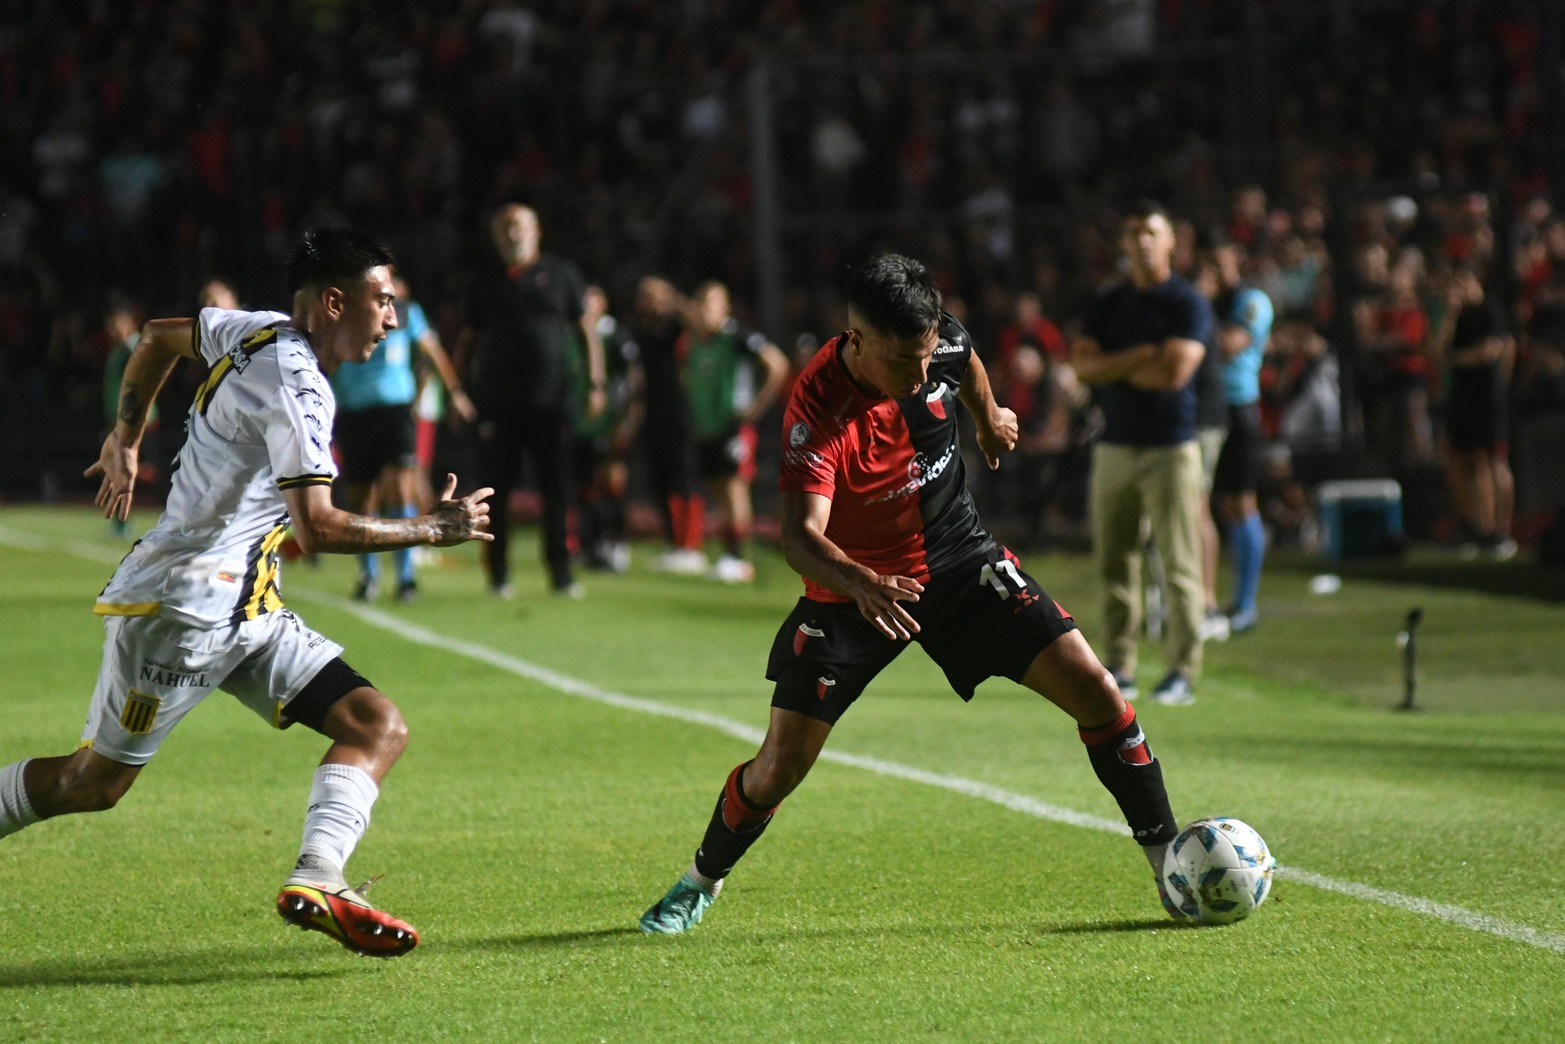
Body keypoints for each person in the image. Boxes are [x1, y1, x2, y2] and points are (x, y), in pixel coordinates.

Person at [639, 254, 1183, 934]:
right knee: (779, 766)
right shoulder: (818, 408)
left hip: (959, 560)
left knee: (1097, 690)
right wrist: (863, 583)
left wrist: (986, 415)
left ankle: (1170, 865)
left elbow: (964, 357)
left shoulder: (935, 341)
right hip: (852, 587)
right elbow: (799, 539)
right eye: (903, 361)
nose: (921, 374)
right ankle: (700, 880)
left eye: (926, 355)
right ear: (856, 341)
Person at [0, 228, 494, 959]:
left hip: (247, 609)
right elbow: (318, 528)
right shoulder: (298, 392)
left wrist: (126, 437)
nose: (391, 319)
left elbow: (158, 337)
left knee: (375, 725)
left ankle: (321, 875)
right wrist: (429, 529)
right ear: (334, 302)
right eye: (381, 302)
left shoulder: (256, 326)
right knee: (91, 784)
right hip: (185, 614)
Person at [1071, 201, 1212, 706]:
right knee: (1115, 559)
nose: (1143, 241)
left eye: (1153, 231)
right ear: (1124, 244)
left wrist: (1112, 365)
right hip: (1115, 446)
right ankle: (1120, 664)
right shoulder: (1109, 302)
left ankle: (1182, 670)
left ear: (1172, 240)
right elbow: (1082, 368)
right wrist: (1136, 356)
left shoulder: (1187, 302)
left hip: (1171, 448)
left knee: (1178, 563)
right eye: (1134, 232)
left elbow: (1173, 375)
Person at [455, 203, 604, 598]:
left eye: (518, 225)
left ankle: (561, 572)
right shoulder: (485, 280)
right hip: (499, 404)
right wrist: (458, 392)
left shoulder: (561, 275)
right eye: (504, 226)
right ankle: (498, 574)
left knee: (556, 490)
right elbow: (467, 341)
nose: (512, 233)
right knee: (495, 493)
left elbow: (585, 329)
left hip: (551, 403)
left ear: (536, 230)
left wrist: (596, 383)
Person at [330, 274, 475, 602]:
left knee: (399, 489)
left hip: (395, 411)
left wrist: (453, 392)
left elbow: (432, 351)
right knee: (361, 498)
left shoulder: (407, 312)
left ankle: (406, 576)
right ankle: (368, 575)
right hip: (353, 413)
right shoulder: (345, 311)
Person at [680, 281, 791, 583]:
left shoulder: (738, 336)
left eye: (712, 304)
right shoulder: (695, 341)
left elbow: (777, 364)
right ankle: (728, 554)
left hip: (733, 426)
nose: (705, 311)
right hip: (707, 426)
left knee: (734, 487)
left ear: (724, 308)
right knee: (717, 486)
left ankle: (739, 558)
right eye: (701, 304)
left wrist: (755, 409)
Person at [1208, 241, 1274, 632]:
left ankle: (1247, 603)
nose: (1214, 270)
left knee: (1243, 502)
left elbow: (1232, 345)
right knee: (1228, 505)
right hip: (1215, 408)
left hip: (1240, 406)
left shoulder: (1252, 301)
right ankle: (1235, 601)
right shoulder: (1214, 304)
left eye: (1221, 262)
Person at [1430, 265, 1516, 560]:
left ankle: (1499, 529)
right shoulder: (1457, 318)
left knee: (1493, 460)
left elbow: (1491, 352)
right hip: (1461, 397)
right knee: (1460, 460)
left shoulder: (1490, 310)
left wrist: (1458, 359)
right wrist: (1451, 316)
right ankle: (1473, 525)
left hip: (1487, 398)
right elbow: (1437, 354)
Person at [629, 275, 706, 575]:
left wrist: (675, 301)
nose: (648, 301)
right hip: (652, 412)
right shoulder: (641, 332)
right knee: (660, 480)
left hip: (679, 411)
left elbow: (701, 324)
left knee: (684, 478)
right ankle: (675, 544)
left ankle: (691, 546)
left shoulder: (677, 327)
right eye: (644, 295)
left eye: (654, 295)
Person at [569, 284, 644, 573]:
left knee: (611, 485)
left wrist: (626, 421)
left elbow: (633, 381)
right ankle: (589, 545)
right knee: (583, 487)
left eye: (592, 299)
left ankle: (616, 545)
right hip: (580, 423)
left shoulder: (615, 336)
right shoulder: (571, 335)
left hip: (610, 422)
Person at [100, 299, 160, 537]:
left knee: (136, 471)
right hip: (120, 422)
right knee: (120, 470)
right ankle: (121, 522)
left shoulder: (134, 348)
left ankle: (125, 521)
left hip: (136, 422)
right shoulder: (118, 351)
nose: (112, 328)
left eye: (117, 323)